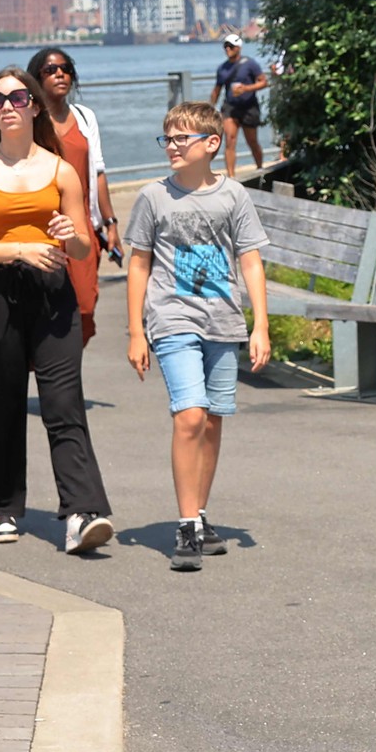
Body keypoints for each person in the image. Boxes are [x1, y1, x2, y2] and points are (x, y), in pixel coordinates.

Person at [0, 66, 114, 552]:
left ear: (35, 106)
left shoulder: (62, 170)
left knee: (63, 403)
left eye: (18, 98)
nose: (8, 107)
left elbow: (84, 247)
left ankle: (82, 512)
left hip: (52, 290)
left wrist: (72, 236)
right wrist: (18, 250)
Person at [124, 101, 271, 572]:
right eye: (166, 137)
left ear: (210, 144)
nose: (170, 145)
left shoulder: (233, 197)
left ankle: (200, 514)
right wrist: (135, 332)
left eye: (180, 138)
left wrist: (260, 325)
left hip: (223, 322)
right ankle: (186, 524)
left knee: (211, 421)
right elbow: (139, 263)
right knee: (189, 416)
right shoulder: (153, 197)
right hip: (172, 319)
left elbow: (250, 259)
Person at [26, 46, 122, 344]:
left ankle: (65, 375)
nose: (60, 74)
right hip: (42, 230)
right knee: (45, 311)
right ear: (36, 79)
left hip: (82, 229)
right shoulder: (29, 120)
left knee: (85, 305)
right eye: (51, 70)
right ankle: (54, 379)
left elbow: (99, 172)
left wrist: (111, 222)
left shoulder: (84, 117)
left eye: (66, 69)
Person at [208, 34, 268, 178]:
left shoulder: (250, 64)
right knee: (230, 139)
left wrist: (246, 89)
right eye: (225, 46)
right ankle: (231, 176)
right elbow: (217, 90)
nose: (228, 49)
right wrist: (210, 109)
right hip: (230, 107)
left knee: (252, 142)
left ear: (238, 48)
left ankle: (260, 169)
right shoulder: (222, 68)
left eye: (231, 46)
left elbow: (263, 81)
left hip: (249, 106)